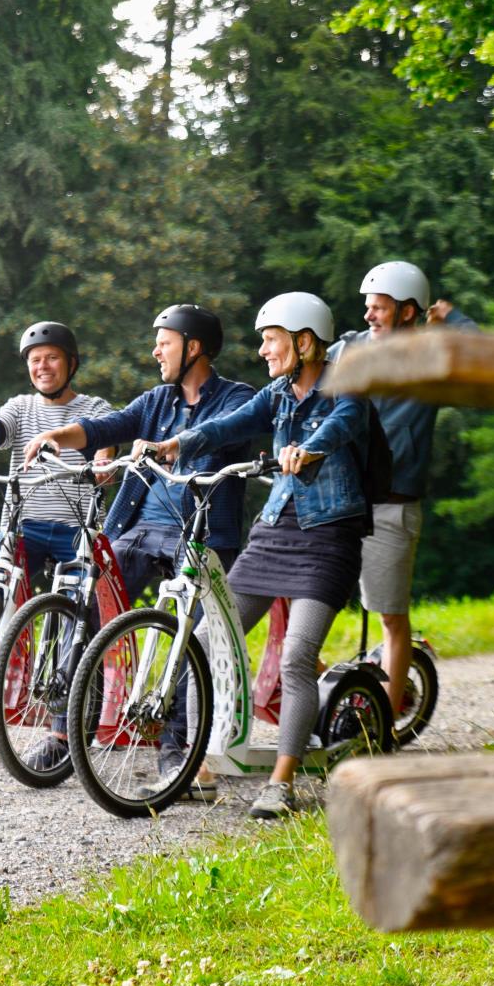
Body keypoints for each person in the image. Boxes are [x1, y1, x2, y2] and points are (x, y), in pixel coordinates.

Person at [23, 304, 256, 793]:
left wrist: (173, 445)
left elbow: (231, 432)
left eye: (164, 342)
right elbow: (109, 427)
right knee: (86, 609)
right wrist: (56, 436)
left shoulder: (238, 398)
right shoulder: (156, 400)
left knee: (185, 639)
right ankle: (65, 732)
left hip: (201, 534)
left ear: (193, 348)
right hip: (139, 528)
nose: (155, 350)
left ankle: (179, 755)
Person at [155, 292, 370, 819]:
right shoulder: (275, 395)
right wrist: (176, 444)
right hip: (273, 531)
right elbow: (228, 425)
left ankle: (282, 781)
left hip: (329, 535)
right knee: (206, 640)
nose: (262, 351)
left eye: (269, 340)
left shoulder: (348, 388)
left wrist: (309, 448)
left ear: (303, 341)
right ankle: (200, 767)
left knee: (296, 659)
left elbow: (342, 424)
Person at [329, 261, 477, 716]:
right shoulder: (349, 348)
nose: (369, 315)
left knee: (390, 615)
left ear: (409, 312)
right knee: (305, 610)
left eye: (380, 307)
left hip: (392, 507)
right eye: (367, 307)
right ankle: (328, 702)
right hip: (337, 502)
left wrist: (450, 318)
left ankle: (386, 726)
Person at [0, 321, 114, 596]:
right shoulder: (20, 407)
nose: (43, 366)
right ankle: (11, 639)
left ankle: (74, 641)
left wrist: (103, 461)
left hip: (77, 531)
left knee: (83, 598)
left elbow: (106, 439)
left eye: (52, 358)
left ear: (71, 364)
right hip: (24, 528)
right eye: (36, 360)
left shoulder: (95, 408)